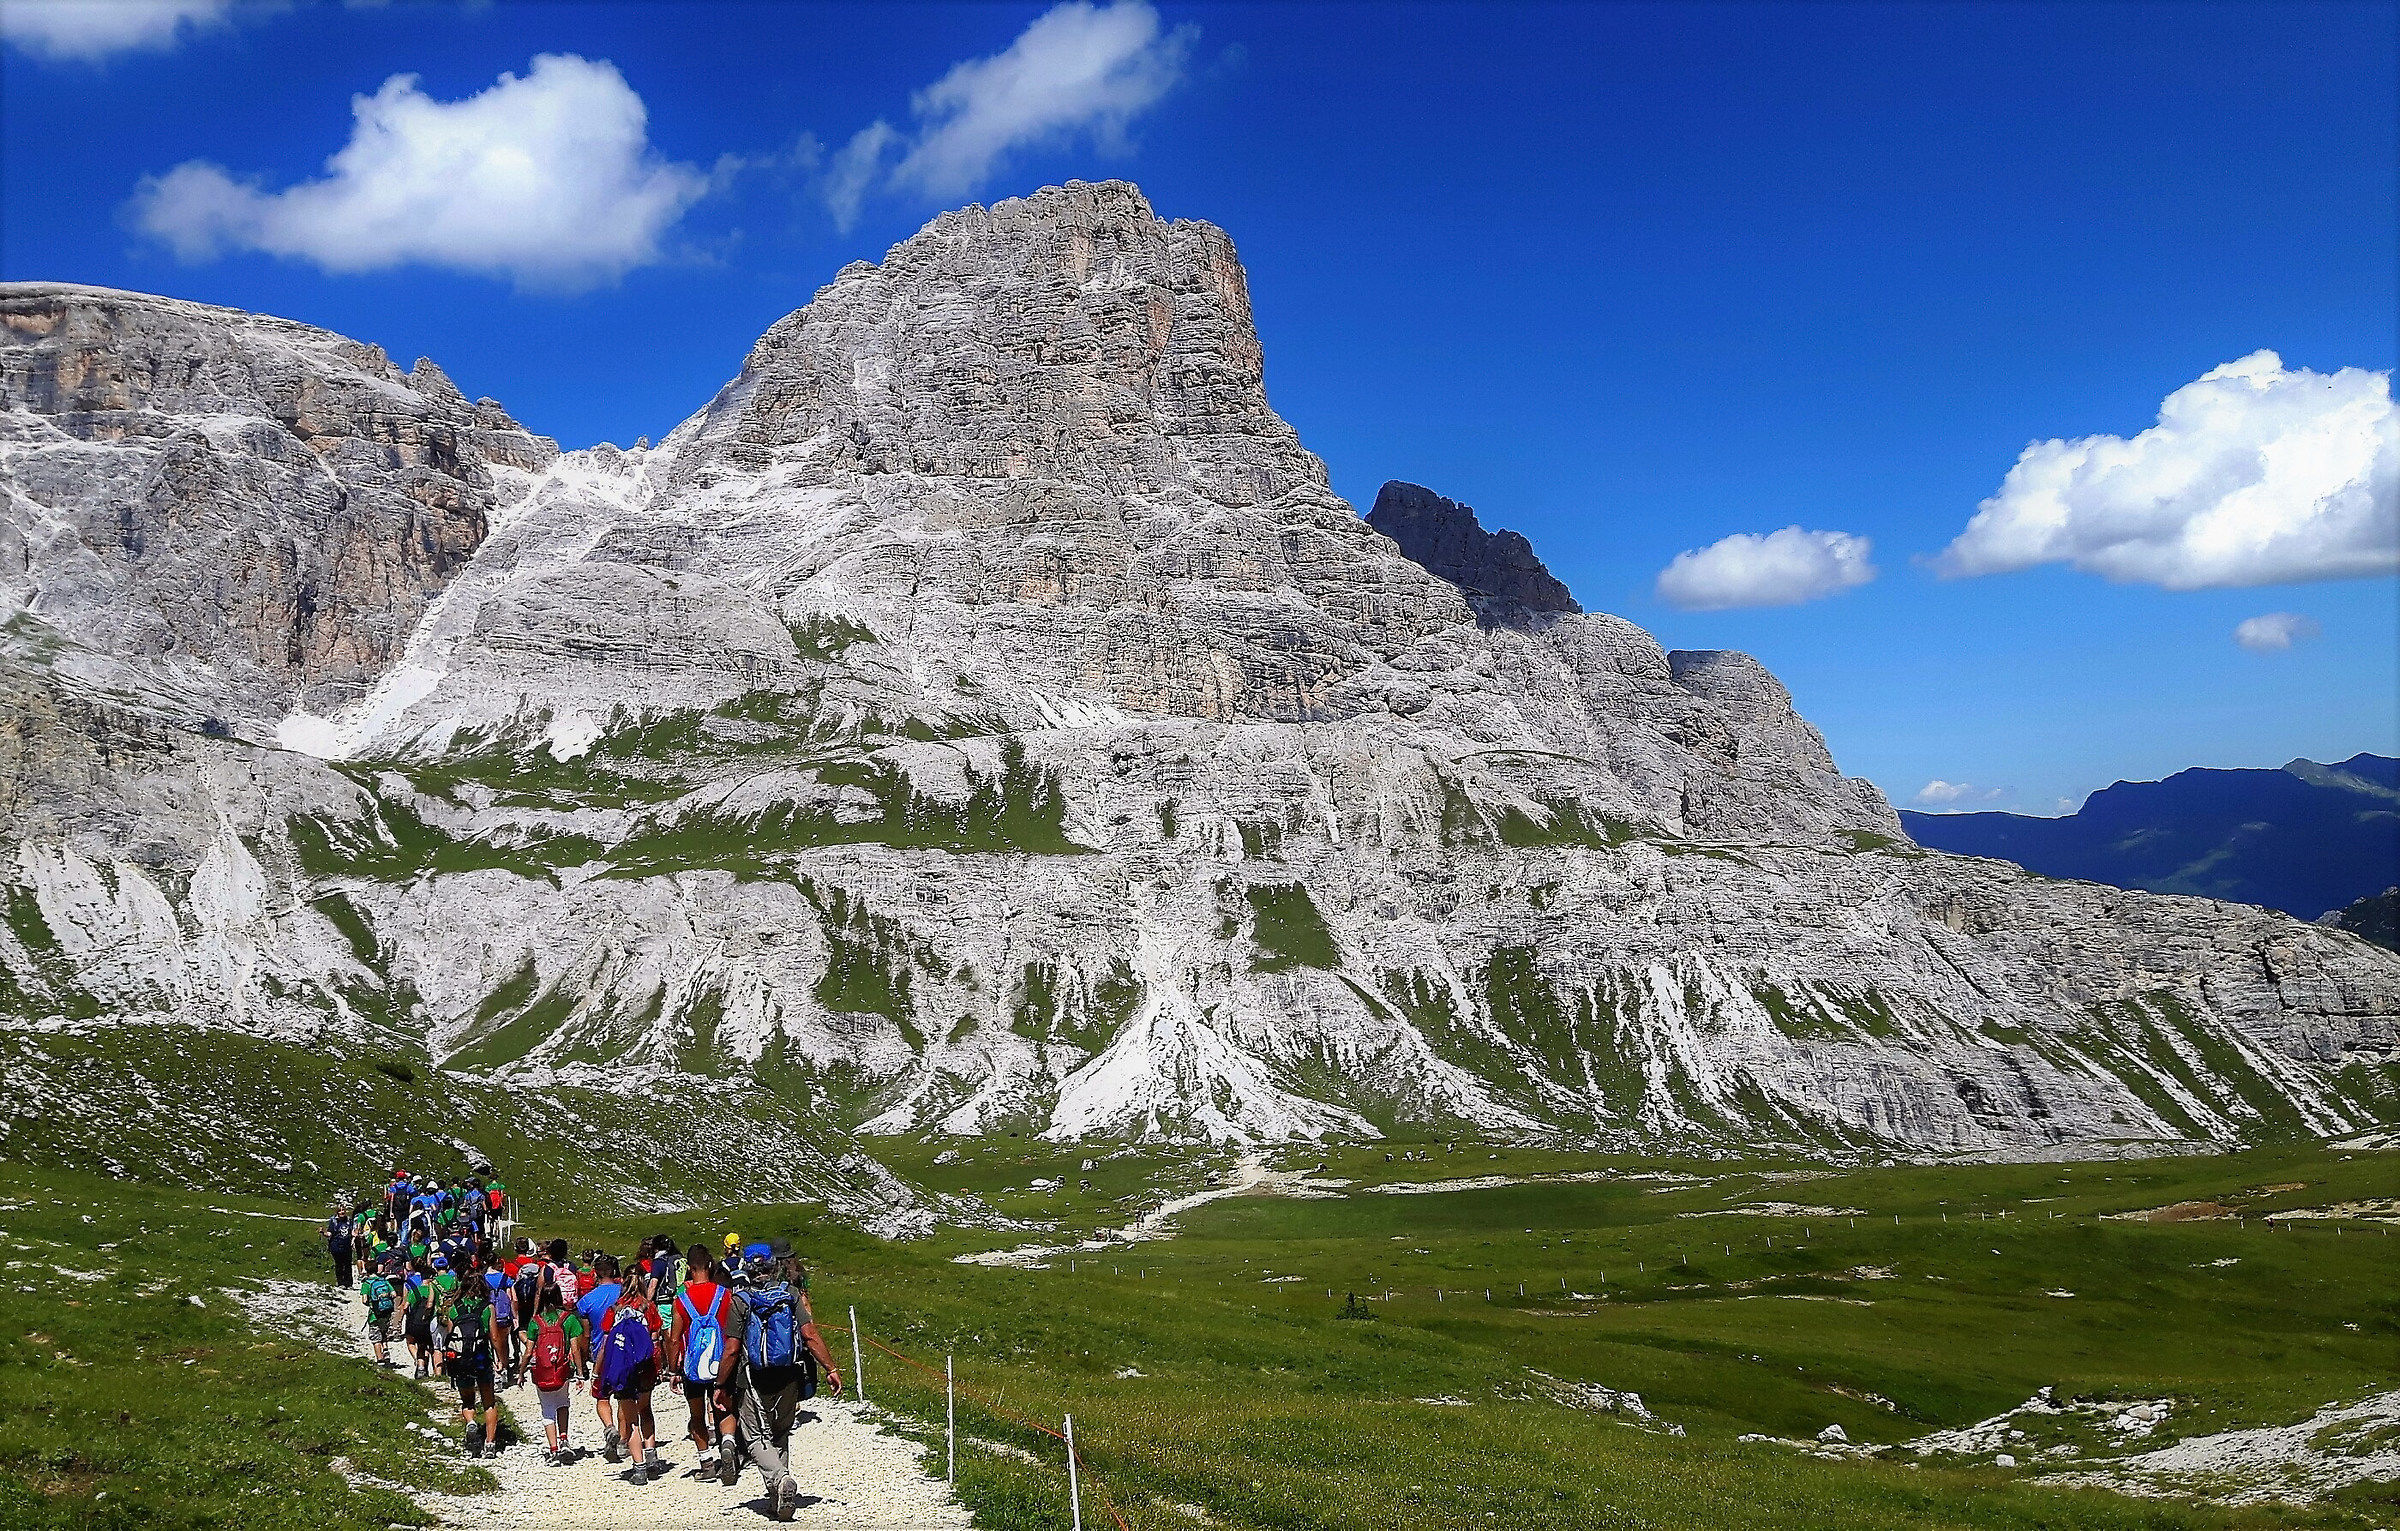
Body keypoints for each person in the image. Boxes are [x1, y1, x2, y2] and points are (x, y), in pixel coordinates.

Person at [730, 1246, 842, 1522]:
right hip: (789, 1375)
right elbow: (810, 1335)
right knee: (781, 1433)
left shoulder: (740, 1300)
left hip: (754, 1377)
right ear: (773, 1266)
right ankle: (777, 1498)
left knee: (755, 1437)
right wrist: (831, 1368)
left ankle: (780, 1479)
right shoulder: (790, 1295)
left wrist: (721, 1385)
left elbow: (732, 1348)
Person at [667, 1244, 743, 1485]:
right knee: (724, 1408)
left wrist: (673, 1370)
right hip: (722, 1363)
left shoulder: (681, 1300)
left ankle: (706, 1464)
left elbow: (673, 1338)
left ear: (689, 1269)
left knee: (697, 1414)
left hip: (693, 1366)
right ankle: (729, 1444)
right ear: (711, 1265)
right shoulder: (725, 1294)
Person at [595, 1270, 663, 1483]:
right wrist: (658, 1369)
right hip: (645, 1368)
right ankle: (651, 1456)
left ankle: (639, 1468)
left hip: (623, 1368)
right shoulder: (649, 1307)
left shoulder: (614, 1309)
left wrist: (599, 1372)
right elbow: (655, 1342)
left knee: (630, 1419)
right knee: (646, 1410)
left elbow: (607, 1345)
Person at [526, 1282, 586, 1465]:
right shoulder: (569, 1319)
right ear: (560, 1296)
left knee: (547, 1410)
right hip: (562, 1370)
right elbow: (576, 1350)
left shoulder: (535, 1321)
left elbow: (528, 1352)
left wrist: (520, 1373)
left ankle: (553, 1450)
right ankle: (564, 1439)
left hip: (542, 1372)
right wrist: (580, 1374)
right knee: (563, 1402)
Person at [576, 1255, 628, 1461]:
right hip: (625, 1351)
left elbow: (585, 1334)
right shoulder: (625, 1294)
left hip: (601, 1351)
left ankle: (609, 1427)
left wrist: (585, 1354)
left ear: (596, 1274)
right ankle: (624, 1440)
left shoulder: (587, 1300)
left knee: (602, 1396)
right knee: (624, 1398)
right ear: (615, 1271)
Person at [446, 1272, 502, 1457]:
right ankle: (490, 1444)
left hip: (461, 1360)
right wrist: (500, 1358)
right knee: (489, 1401)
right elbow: (494, 1337)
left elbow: (451, 1336)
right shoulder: (488, 1308)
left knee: (467, 1400)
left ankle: (471, 1423)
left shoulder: (455, 1308)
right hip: (481, 1358)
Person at [360, 1263, 399, 1369]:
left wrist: (372, 1304)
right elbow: (394, 1294)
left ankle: (380, 1360)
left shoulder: (367, 1283)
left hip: (375, 1314)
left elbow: (364, 1300)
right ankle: (385, 1349)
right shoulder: (384, 1281)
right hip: (386, 1312)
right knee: (384, 1332)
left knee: (376, 1337)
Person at [325, 1207, 355, 1289]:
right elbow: (329, 1233)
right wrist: (324, 1233)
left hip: (347, 1245)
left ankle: (348, 1283)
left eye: (343, 1210)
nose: (342, 1212)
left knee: (348, 1264)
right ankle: (341, 1282)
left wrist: (355, 1236)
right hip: (336, 1245)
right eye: (340, 1211)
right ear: (337, 1212)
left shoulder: (349, 1221)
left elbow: (352, 1231)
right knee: (339, 1264)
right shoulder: (334, 1221)